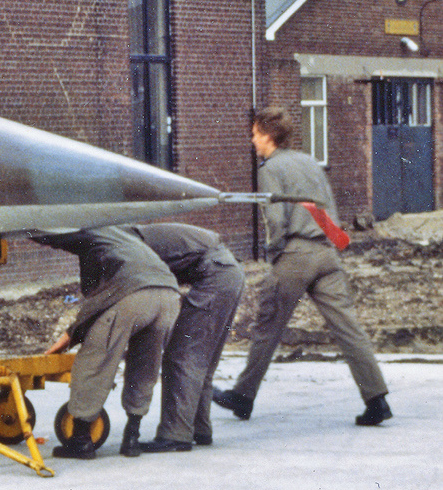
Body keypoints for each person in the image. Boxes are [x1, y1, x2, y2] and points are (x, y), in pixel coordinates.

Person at [213, 107, 391, 426]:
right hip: (326, 251)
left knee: (268, 324)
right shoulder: (309, 161)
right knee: (347, 327)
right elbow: (328, 209)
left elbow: (275, 221)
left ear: (267, 136)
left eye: (254, 133)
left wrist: (275, 255)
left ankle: (243, 395)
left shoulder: (270, 169)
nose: (252, 140)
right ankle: (376, 399)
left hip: (296, 253)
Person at [35, 228, 182, 459]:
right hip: (170, 295)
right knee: (146, 366)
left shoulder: (89, 233)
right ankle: (132, 438)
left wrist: (72, 334)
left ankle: (81, 440)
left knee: (96, 359)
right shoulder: (124, 237)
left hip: (135, 294)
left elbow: (96, 302)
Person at [128, 223, 245, 451]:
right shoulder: (132, 236)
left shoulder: (127, 244)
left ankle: (176, 435)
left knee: (182, 356)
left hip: (215, 274)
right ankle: (199, 428)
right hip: (227, 272)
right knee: (201, 359)